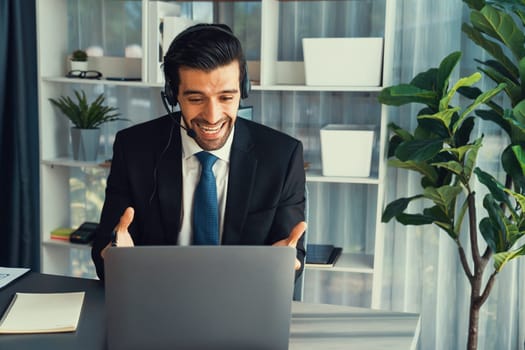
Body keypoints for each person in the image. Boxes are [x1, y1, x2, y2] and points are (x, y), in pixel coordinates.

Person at [91, 23, 307, 280]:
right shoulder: (134, 148)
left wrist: (284, 265)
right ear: (173, 94)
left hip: (242, 299)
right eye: (195, 99)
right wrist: (116, 257)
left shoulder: (282, 156)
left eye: (226, 98)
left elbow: (292, 255)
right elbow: (104, 253)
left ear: (244, 90)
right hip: (158, 297)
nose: (212, 117)